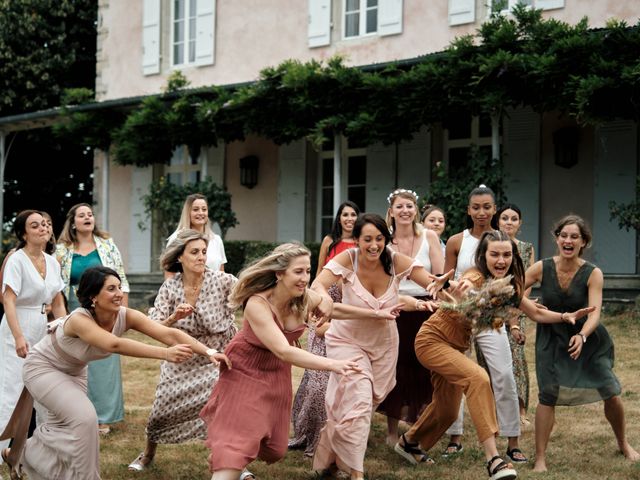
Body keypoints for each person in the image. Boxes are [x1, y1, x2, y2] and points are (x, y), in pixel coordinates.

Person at [395, 230, 594, 480]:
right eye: (495, 254)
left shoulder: (508, 284)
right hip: (432, 341)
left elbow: (536, 313)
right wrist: (455, 286)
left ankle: (409, 442)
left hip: (454, 347)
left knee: (446, 410)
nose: (501, 260)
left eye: (507, 255)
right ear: (483, 255)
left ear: (514, 256)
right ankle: (494, 460)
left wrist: (565, 317)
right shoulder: (475, 276)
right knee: (479, 379)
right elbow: (465, 286)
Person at [0, 266, 230, 480]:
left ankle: (20, 454)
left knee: (70, 428)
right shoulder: (79, 319)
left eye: (119, 287)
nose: (119, 293)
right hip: (43, 368)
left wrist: (209, 351)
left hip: (74, 371)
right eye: (111, 288)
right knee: (85, 418)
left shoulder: (125, 315)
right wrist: (166, 354)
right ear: (93, 297)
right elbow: (114, 345)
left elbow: (170, 334)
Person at [200, 243, 362, 480]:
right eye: (298, 271)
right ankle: (227, 459)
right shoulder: (257, 304)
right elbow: (284, 351)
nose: (305, 278)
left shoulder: (302, 297)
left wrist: (376, 313)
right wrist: (333, 364)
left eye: (307, 271)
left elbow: (332, 307)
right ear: (279, 273)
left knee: (275, 449)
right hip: (245, 369)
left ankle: (227, 455)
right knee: (239, 442)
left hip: (276, 375)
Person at [311, 213, 448, 480]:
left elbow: (432, 282)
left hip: (383, 346)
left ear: (387, 239)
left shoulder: (395, 261)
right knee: (359, 404)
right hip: (347, 341)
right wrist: (322, 299)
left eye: (379, 239)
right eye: (367, 240)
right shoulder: (347, 259)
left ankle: (331, 460)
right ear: (357, 240)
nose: (374, 245)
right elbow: (318, 283)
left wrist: (443, 286)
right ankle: (356, 473)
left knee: (350, 407)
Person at [524, 215, 640, 472]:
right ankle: (540, 458)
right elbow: (516, 290)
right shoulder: (542, 268)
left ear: (583, 242)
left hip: (588, 338)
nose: (568, 240)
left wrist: (583, 335)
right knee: (547, 394)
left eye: (574, 237)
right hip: (551, 339)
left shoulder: (592, 273)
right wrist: (526, 307)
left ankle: (623, 443)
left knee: (610, 389)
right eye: (564, 235)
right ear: (556, 238)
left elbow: (595, 312)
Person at [128, 230, 239, 471]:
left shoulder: (224, 281)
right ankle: (147, 454)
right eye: (195, 252)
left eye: (203, 252)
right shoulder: (170, 287)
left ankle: (231, 461)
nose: (201, 257)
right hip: (183, 354)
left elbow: (252, 299)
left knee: (224, 411)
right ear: (180, 257)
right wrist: (174, 316)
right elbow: (154, 327)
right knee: (160, 410)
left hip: (217, 355)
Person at [443, 185, 525, 462]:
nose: (481, 212)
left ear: (494, 209)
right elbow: (446, 279)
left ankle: (512, 439)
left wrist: (511, 319)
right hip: (460, 318)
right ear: (468, 210)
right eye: (475, 207)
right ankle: (454, 435)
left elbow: (515, 285)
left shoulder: (503, 242)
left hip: (491, 320)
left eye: (487, 207)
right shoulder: (457, 241)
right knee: (458, 377)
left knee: (502, 374)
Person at [289, 201, 360, 457]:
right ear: (339, 218)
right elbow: (318, 274)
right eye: (345, 214)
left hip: (348, 309)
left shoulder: (363, 245)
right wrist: (310, 306)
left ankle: (332, 437)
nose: (349, 219)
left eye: (353, 214)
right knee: (315, 378)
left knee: (335, 381)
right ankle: (307, 433)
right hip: (323, 302)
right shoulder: (330, 241)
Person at [377, 189, 444, 445]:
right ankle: (392, 431)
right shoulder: (385, 241)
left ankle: (418, 428)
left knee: (424, 366)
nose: (405, 211)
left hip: (426, 308)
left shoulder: (429, 236)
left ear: (416, 210)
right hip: (396, 308)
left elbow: (438, 276)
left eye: (409, 206)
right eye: (399, 207)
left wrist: (438, 305)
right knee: (395, 366)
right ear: (391, 211)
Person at [0, 210, 66, 465]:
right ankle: (1, 448)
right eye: (35, 225)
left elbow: (58, 302)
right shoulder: (16, 260)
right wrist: (18, 337)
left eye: (45, 224)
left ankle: (40, 449)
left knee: (42, 389)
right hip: (18, 323)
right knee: (12, 387)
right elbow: (8, 299)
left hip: (42, 325)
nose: (42, 228)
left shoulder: (53, 262)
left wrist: (63, 329)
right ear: (23, 233)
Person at [56, 203, 129, 435]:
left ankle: (104, 417)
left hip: (105, 308)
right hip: (74, 309)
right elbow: (56, 285)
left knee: (103, 360)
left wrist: (121, 311)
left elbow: (122, 280)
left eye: (90, 214)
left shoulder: (107, 245)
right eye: (82, 215)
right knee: (76, 361)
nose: (88, 217)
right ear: (73, 222)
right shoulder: (61, 249)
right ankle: (77, 414)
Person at [491, 203, 534, 427]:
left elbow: (528, 281)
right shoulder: (490, 246)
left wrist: (516, 312)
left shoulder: (526, 249)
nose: (509, 222)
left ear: (520, 223)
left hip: (519, 307)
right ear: (497, 221)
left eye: (514, 218)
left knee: (516, 360)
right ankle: (495, 411)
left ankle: (521, 410)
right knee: (491, 362)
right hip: (492, 310)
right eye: (505, 218)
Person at [0, 211, 56, 306]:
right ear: (24, 233)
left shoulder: (54, 259)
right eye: (35, 226)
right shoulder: (15, 257)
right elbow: (4, 295)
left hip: (46, 318)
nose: (44, 227)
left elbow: (57, 300)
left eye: (47, 224)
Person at [166, 193, 227, 277]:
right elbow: (169, 273)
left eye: (204, 209)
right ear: (188, 213)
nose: (201, 213)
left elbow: (221, 273)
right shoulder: (177, 238)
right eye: (195, 209)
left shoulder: (216, 240)